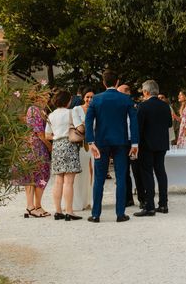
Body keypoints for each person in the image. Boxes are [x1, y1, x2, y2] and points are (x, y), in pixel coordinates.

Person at [85, 69, 139, 223]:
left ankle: (96, 215)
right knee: (121, 177)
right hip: (121, 142)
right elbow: (133, 122)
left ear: (103, 82)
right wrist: (135, 143)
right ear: (117, 82)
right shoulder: (125, 99)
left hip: (101, 142)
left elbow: (89, 122)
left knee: (99, 178)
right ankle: (120, 214)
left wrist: (91, 142)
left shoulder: (96, 99)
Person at [134, 80, 172, 217]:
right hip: (161, 143)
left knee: (147, 174)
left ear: (146, 92)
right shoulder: (165, 106)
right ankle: (163, 204)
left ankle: (149, 206)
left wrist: (135, 144)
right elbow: (168, 124)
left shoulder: (143, 106)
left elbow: (138, 126)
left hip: (147, 144)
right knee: (161, 172)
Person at [46, 90, 83, 221]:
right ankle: (69, 211)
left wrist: (57, 135)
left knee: (58, 180)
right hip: (69, 145)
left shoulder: (51, 115)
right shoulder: (71, 112)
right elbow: (80, 128)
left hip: (57, 146)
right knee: (69, 181)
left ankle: (57, 211)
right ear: (68, 101)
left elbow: (47, 135)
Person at [16, 93, 52, 218]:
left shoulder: (39, 110)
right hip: (36, 148)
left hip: (34, 146)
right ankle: (31, 206)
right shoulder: (34, 109)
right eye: (44, 95)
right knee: (38, 175)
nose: (47, 98)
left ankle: (36, 206)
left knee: (36, 176)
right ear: (37, 96)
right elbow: (40, 133)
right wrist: (50, 147)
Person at [72, 87, 94, 211]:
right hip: (80, 145)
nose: (89, 99)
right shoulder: (76, 109)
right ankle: (78, 201)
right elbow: (77, 126)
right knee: (80, 173)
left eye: (92, 97)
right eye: (87, 96)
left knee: (92, 172)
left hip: (94, 144)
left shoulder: (97, 109)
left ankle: (90, 200)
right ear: (83, 97)